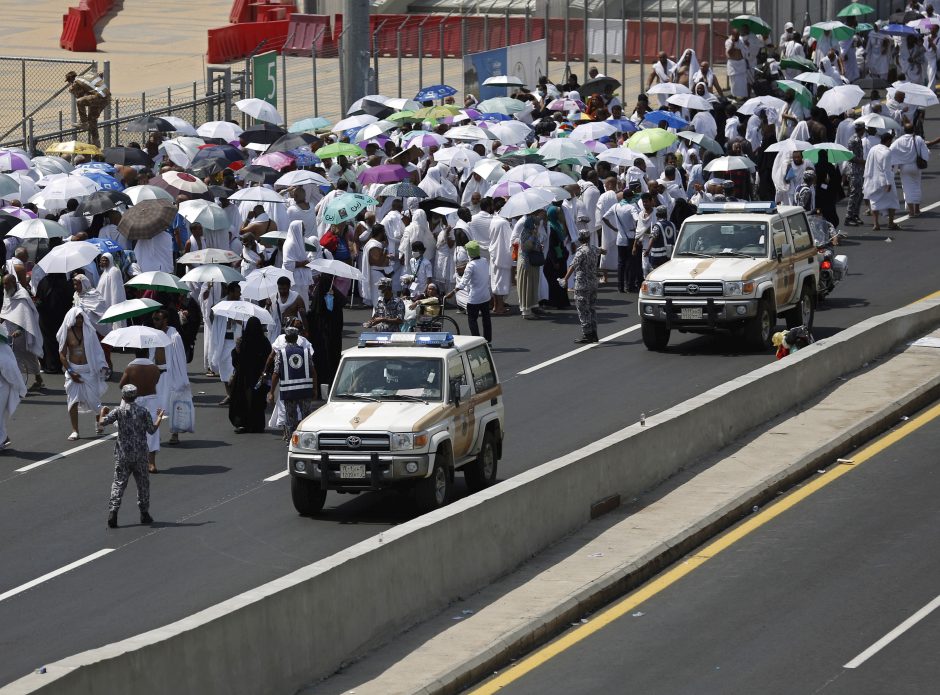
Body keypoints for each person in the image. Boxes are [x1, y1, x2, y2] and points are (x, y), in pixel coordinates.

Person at [99, 384, 165, 528]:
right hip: (140, 454)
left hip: (123, 454)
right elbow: (152, 430)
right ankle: (144, 513)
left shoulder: (118, 411)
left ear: (123, 396)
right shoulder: (143, 411)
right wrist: (159, 418)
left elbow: (102, 423)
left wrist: (102, 412)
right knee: (143, 484)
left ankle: (113, 513)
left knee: (118, 483)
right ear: (136, 396)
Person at [57, 307, 109, 440]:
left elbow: (98, 350)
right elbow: (62, 355)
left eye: (81, 317)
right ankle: (75, 430)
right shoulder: (67, 333)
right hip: (73, 370)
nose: (79, 320)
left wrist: (102, 365)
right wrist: (70, 371)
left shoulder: (90, 332)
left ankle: (99, 420)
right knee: (72, 401)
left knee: (94, 399)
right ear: (72, 319)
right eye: (77, 318)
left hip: (88, 369)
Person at [149, 309, 193, 447]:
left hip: (170, 375)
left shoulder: (174, 337)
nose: (155, 321)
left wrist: (181, 379)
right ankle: (153, 433)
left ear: (165, 320)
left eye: (158, 319)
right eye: (154, 319)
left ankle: (175, 433)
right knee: (153, 405)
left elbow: (180, 359)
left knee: (174, 404)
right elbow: (151, 355)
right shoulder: (153, 335)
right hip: (156, 374)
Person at [268, 326, 317, 441]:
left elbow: (276, 374)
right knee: (306, 417)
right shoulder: (305, 352)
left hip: (289, 391)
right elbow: (313, 372)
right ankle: (307, 440)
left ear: (285, 338)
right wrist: (315, 389)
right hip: (305, 390)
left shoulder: (281, 353)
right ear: (297, 338)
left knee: (290, 418)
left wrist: (271, 392)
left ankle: (291, 441)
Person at [119, 348, 163, 472]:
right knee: (152, 431)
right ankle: (152, 464)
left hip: (135, 400)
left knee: (130, 430)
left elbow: (121, 385)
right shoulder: (154, 368)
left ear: (135, 353)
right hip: (151, 400)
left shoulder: (130, 367)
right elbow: (156, 381)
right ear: (148, 353)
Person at [1, 274, 44, 392]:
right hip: (9, 330)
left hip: (22, 331)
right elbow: (6, 310)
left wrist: (20, 329)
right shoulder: (7, 293)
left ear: (14, 282)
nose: (5, 286)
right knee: (21, 357)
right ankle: (33, 381)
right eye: (3, 284)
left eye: (7, 283)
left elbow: (26, 316)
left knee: (23, 357)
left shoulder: (22, 295)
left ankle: (22, 386)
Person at [561, 230, 605, 344]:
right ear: (589, 238)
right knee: (592, 308)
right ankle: (594, 333)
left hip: (582, 284)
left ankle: (587, 334)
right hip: (593, 283)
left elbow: (572, 266)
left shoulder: (580, 252)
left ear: (580, 239)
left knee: (583, 310)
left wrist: (565, 279)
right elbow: (603, 251)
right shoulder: (593, 249)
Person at [229, 316, 271, 433]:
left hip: (249, 378)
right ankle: (249, 424)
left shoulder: (247, 341)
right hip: (252, 378)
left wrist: (238, 350)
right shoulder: (261, 341)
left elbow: (236, 362)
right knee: (251, 400)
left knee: (249, 400)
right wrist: (237, 349)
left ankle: (248, 424)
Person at [446, 240, 492, 344]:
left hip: (474, 298)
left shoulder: (470, 266)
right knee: (486, 320)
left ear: (469, 253)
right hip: (485, 296)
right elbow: (476, 263)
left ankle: (477, 341)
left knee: (472, 320)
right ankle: (488, 341)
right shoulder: (484, 260)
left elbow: (462, 283)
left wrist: (452, 292)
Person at [890, 122, 930, 216]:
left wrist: (895, 164)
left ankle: (911, 211)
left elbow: (891, 151)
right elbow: (925, 153)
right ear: (914, 130)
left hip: (905, 167)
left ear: (904, 130)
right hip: (916, 166)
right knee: (917, 187)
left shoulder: (899, 140)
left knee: (907, 189)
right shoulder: (918, 139)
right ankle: (917, 209)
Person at [863, 131, 901, 231]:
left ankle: (876, 224)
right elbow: (886, 169)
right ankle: (891, 223)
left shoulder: (873, 149)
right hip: (884, 181)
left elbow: (868, 164)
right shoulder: (887, 152)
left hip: (873, 181)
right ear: (888, 141)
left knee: (874, 202)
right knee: (892, 201)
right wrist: (888, 183)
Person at [65, 70, 110, 148]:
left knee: (79, 102)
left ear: (71, 79)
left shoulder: (76, 82)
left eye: (69, 81)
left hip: (99, 97)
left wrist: (71, 89)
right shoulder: (88, 75)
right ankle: (96, 142)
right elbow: (100, 74)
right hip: (107, 97)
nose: (69, 83)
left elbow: (79, 96)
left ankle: (84, 123)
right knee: (92, 119)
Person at [0, 324, 27, 450]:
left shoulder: (3, 349)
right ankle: (3, 438)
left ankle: (2, 439)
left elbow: (10, 371)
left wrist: (20, 388)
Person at [516, 211, 544, 320]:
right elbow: (526, 247)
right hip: (526, 264)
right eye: (536, 224)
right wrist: (533, 237)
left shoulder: (531, 232)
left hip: (532, 264)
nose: (537, 226)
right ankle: (526, 311)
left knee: (532, 286)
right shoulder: (526, 233)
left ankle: (532, 306)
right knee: (526, 287)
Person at [282, 220, 313, 309]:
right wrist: (303, 263)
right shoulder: (289, 244)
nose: (304, 231)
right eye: (302, 229)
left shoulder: (299, 242)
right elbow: (287, 264)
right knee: (295, 305)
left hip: (301, 280)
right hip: (294, 280)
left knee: (303, 304)